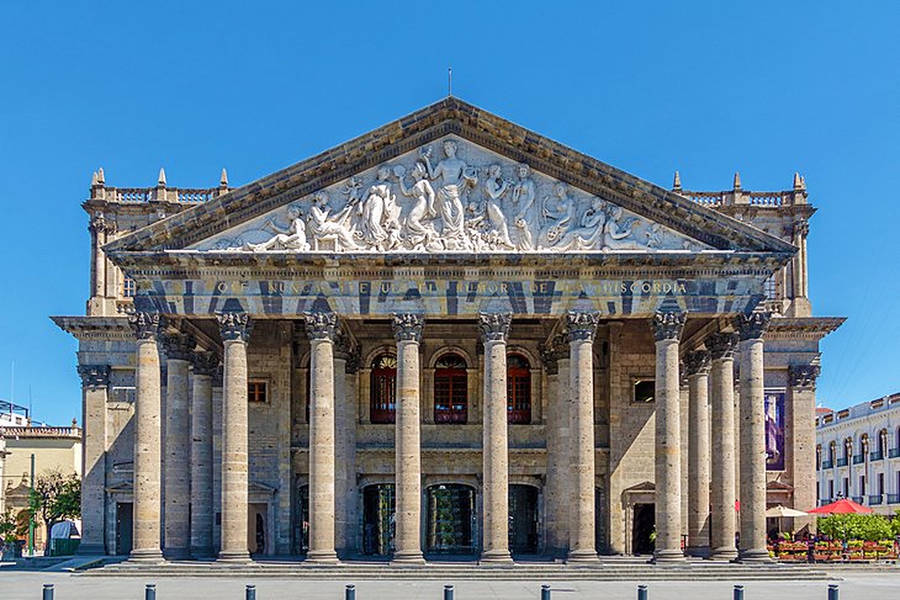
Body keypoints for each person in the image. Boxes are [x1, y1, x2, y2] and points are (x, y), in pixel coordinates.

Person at [420, 139, 476, 250]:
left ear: (454, 148)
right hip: (444, 192)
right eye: (445, 149)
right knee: (446, 214)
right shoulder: (442, 163)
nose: (447, 151)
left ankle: (458, 236)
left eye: (449, 148)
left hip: (456, 191)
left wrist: (473, 177)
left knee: (459, 211)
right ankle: (448, 236)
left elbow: (469, 175)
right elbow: (432, 176)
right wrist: (426, 160)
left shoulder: (461, 163)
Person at [397, 161, 441, 251]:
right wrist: (401, 180)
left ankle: (426, 233)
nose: (412, 170)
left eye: (414, 169)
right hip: (418, 203)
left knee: (412, 220)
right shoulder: (415, 185)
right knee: (410, 221)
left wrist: (430, 206)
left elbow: (431, 193)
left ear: (419, 171)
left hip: (422, 203)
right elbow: (406, 192)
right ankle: (422, 234)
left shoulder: (424, 182)